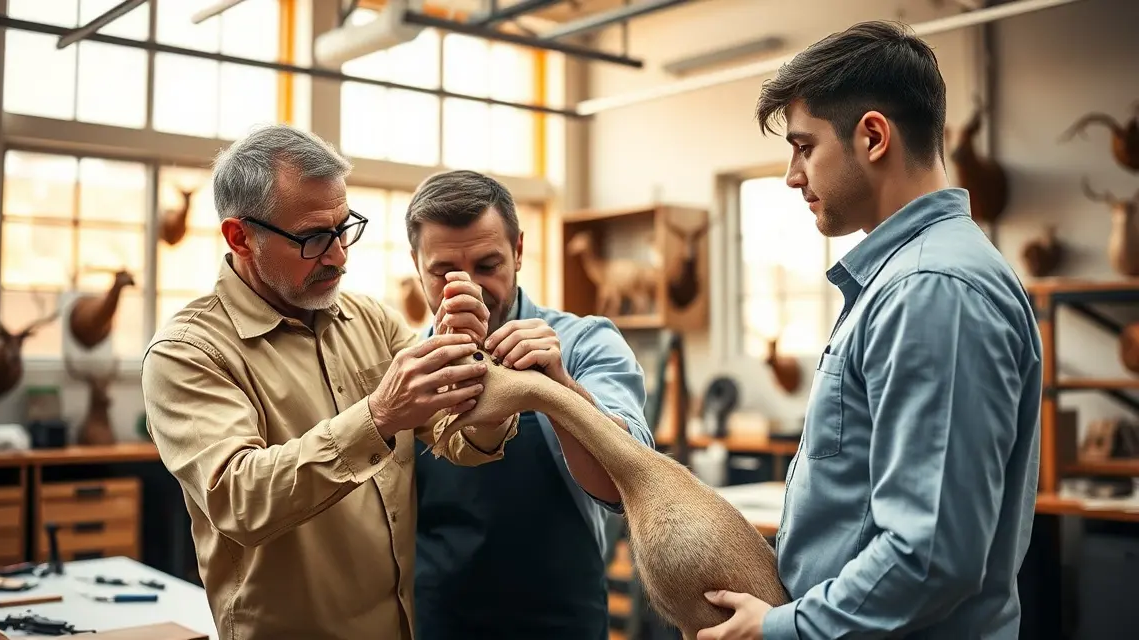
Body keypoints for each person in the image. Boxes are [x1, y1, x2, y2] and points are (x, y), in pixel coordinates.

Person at [698, 21, 1042, 640]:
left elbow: (928, 557)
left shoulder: (931, 289)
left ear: (874, 137)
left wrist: (780, 629)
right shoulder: (905, 279)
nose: (793, 175)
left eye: (805, 147)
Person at [140, 125, 519, 640]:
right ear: (240, 237)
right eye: (314, 238)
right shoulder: (187, 353)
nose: (339, 255)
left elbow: (461, 441)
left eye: (344, 228)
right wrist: (379, 416)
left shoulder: (372, 321)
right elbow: (239, 500)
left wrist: (472, 368)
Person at [404, 169, 655, 639]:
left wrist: (557, 388)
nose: (471, 288)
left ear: (518, 251)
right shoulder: (404, 369)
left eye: (488, 265)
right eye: (444, 273)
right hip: (439, 622)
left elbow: (633, 482)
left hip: (562, 620)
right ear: (416, 265)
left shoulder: (584, 344)